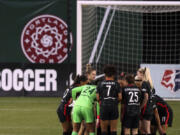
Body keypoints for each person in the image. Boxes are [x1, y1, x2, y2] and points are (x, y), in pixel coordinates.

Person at [96, 65, 122, 135]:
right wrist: (115, 102)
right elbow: (120, 97)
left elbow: (97, 98)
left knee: (104, 130)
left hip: (104, 106)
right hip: (113, 106)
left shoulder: (100, 84)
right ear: (113, 74)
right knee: (113, 130)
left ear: (105, 74)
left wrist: (102, 102)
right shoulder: (117, 84)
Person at [137, 67, 154, 135]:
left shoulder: (144, 83)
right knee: (143, 129)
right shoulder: (149, 83)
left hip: (146, 109)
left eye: (138, 73)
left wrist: (140, 107)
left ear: (141, 74)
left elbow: (146, 97)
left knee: (146, 130)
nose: (137, 75)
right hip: (149, 108)